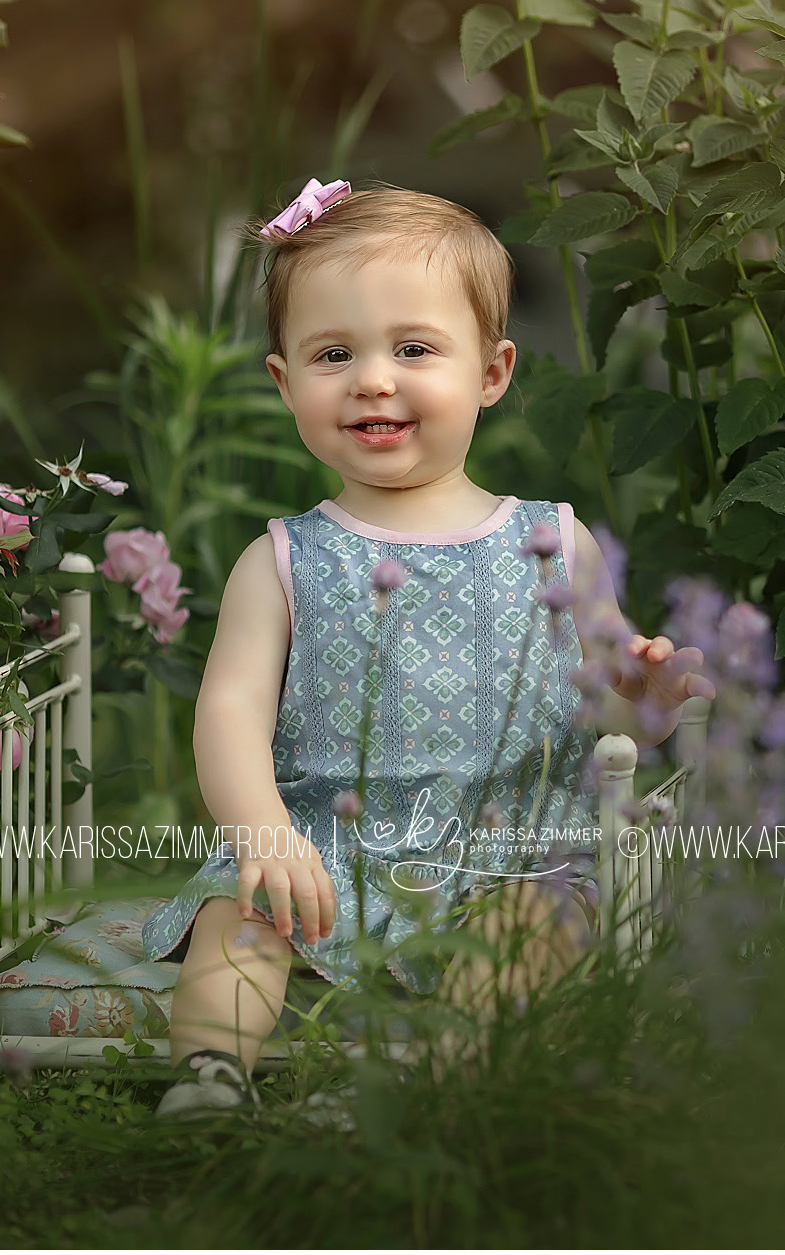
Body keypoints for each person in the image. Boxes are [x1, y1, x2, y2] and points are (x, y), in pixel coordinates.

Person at [140, 178, 715, 1122]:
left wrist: (639, 699)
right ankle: (210, 1074)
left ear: (491, 373)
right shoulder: (282, 559)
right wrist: (264, 834)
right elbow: (230, 710)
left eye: (414, 349)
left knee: (535, 929)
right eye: (334, 354)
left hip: (514, 854)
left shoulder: (556, 542)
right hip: (330, 851)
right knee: (237, 919)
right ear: (285, 381)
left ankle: (416, 1089)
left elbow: (603, 708)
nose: (373, 379)